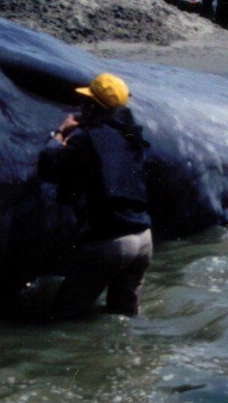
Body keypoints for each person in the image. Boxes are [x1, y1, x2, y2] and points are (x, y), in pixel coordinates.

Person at [37, 73, 154, 319]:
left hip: (111, 241)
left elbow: (50, 164)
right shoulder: (132, 135)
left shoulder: (87, 140)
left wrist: (60, 133)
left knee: (63, 318)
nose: (82, 107)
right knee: (124, 317)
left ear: (93, 107)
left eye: (86, 102)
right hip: (143, 239)